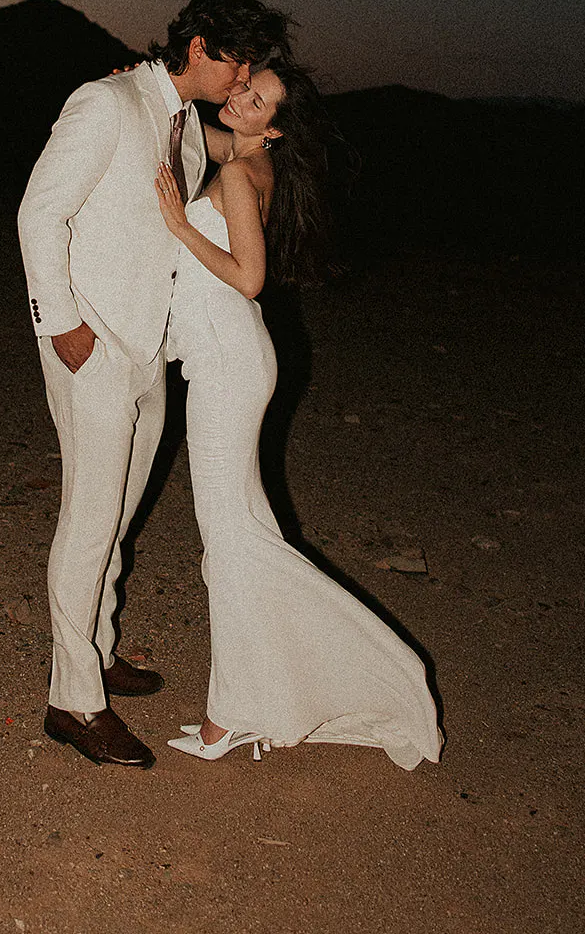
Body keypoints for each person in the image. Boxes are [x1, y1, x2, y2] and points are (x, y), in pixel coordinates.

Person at [17, 0, 293, 768]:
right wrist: (62, 326)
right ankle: (74, 701)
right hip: (91, 344)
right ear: (201, 46)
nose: (242, 80)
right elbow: (39, 214)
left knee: (121, 514)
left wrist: (267, 135)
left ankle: (96, 648)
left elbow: (240, 160)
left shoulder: (185, 126)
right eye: (238, 61)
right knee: (88, 521)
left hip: (150, 352)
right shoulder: (104, 104)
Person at [155, 59, 442, 767]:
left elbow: (248, 279)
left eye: (257, 101)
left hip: (227, 360)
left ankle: (248, 714)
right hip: (227, 360)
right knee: (239, 538)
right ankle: (245, 706)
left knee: (232, 546)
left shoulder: (237, 175)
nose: (241, 100)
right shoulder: (244, 160)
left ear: (273, 126)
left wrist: (174, 223)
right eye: (244, 88)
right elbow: (189, 130)